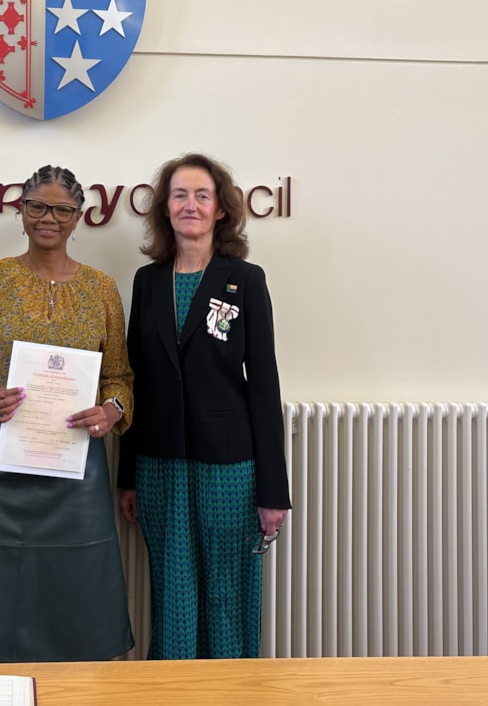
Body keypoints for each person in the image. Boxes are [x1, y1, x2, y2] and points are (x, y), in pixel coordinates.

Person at [0, 165, 135, 663]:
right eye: (37, 206)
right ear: (20, 212)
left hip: (75, 468)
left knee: (75, 595)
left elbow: (120, 378)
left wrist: (111, 411)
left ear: (78, 217)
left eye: (62, 209)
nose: (49, 218)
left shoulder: (102, 289)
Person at [118, 152, 291, 660]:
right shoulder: (147, 282)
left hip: (231, 468)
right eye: (178, 195)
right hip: (158, 464)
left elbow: (263, 384)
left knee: (226, 593)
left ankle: (233, 691)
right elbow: (136, 379)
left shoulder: (246, 279)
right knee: (173, 595)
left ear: (220, 209)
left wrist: (273, 492)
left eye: (201, 195)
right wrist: (127, 475)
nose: (189, 204)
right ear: (164, 210)